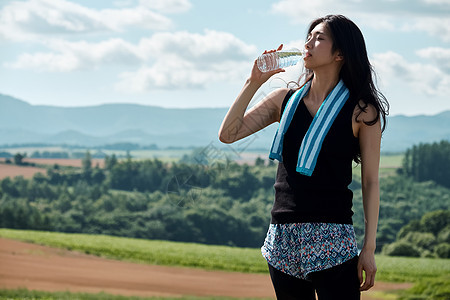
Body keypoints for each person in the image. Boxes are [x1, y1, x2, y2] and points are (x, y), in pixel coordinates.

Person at [218, 14, 389, 299]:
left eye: (319, 38)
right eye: (308, 37)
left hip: (332, 238)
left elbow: (370, 182)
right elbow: (228, 134)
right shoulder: (283, 99)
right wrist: (253, 82)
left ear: (340, 54)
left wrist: (368, 249)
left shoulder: (361, 110)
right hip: (282, 237)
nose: (308, 43)